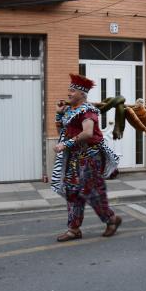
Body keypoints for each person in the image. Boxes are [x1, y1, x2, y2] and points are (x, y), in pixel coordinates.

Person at [51, 74, 122, 242]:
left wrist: (65, 144)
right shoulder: (70, 111)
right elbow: (62, 133)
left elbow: (88, 133)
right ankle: (74, 229)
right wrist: (59, 115)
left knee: (92, 193)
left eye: (72, 90)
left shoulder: (88, 111)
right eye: (69, 89)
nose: (68, 93)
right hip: (74, 158)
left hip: (90, 157)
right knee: (72, 192)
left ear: (82, 94)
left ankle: (111, 219)